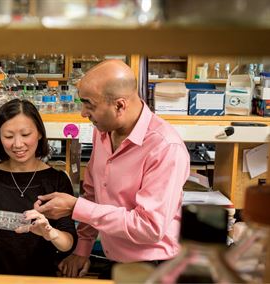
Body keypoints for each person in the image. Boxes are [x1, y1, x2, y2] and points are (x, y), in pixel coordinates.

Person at [34, 60, 190, 278]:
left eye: (89, 104)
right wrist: (82, 250)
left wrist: (75, 207)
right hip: (115, 261)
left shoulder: (165, 147)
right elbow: (93, 193)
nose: (83, 113)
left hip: (154, 268)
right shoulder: (103, 131)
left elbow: (149, 227)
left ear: (119, 105)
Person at [0, 99, 77, 276]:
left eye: (25, 134)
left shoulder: (56, 180)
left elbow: (68, 242)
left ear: (40, 133)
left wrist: (50, 233)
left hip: (41, 279)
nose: (17, 144)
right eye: (9, 137)